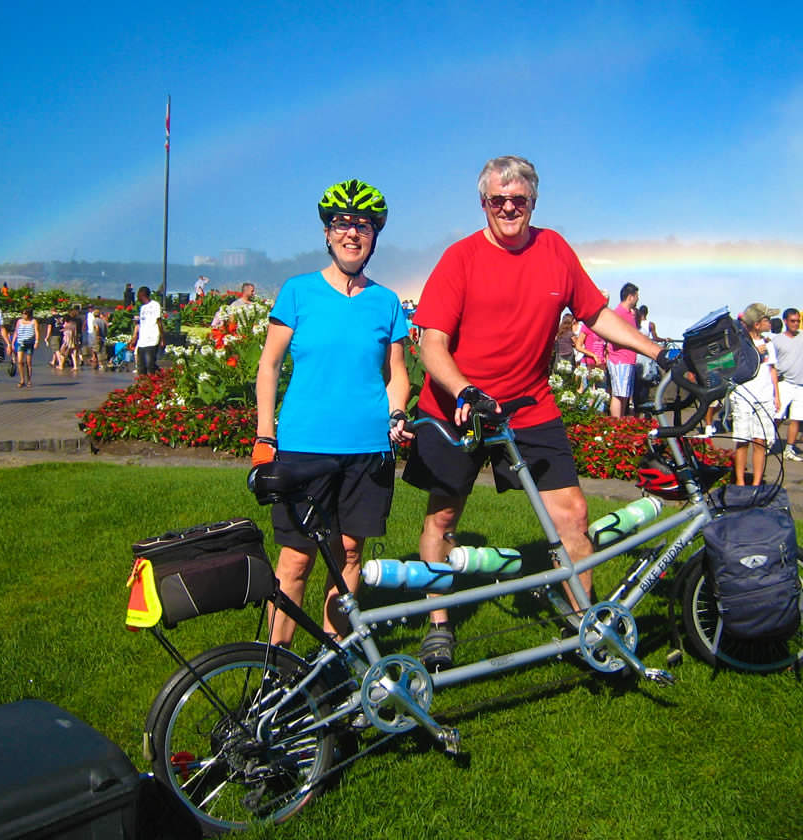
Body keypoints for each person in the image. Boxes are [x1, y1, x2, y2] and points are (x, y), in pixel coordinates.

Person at [404, 155, 666, 669]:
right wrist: (464, 391)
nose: (507, 208)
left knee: (573, 515)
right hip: (459, 406)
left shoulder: (555, 250)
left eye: (517, 200)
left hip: (528, 405)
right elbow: (431, 343)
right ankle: (438, 623)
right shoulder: (460, 258)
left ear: (533, 202)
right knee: (443, 515)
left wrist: (659, 352)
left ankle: (585, 621)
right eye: (496, 200)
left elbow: (595, 313)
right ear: (483, 203)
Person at [252, 179, 411, 648]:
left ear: (374, 236)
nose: (352, 234)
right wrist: (265, 435)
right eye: (342, 224)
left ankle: (331, 659)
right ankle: (275, 667)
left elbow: (397, 373)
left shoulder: (385, 301)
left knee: (348, 553)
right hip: (303, 448)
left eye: (363, 225)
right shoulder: (298, 292)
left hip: (368, 449)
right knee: (296, 559)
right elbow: (269, 364)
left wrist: (397, 413)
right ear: (326, 234)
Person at [730, 303, 780, 486]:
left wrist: (777, 395)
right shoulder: (739, 343)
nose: (770, 323)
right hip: (744, 395)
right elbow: (729, 366)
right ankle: (740, 481)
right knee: (742, 440)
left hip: (765, 395)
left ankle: (757, 482)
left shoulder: (769, 344)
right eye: (767, 319)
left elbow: (772, 370)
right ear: (757, 323)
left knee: (761, 441)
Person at [772, 307, 803, 461]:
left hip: (801, 384)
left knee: (797, 418)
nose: (795, 324)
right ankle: (768, 440)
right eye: (792, 321)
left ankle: (789, 448)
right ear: (786, 321)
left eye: (797, 321)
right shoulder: (777, 339)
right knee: (777, 416)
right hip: (784, 382)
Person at [605, 283, 640, 417]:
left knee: (624, 394)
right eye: (636, 296)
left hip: (628, 358)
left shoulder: (629, 314)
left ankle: (621, 421)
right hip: (620, 359)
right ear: (630, 297)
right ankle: (616, 423)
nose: (637, 299)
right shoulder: (619, 313)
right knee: (619, 394)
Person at [129, 286, 162, 376]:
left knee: (150, 364)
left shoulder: (155, 305)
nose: (137, 297)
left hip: (152, 339)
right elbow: (141, 324)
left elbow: (159, 321)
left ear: (142, 295)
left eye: (138, 295)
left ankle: (154, 381)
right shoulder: (142, 308)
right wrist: (135, 338)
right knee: (141, 366)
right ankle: (142, 386)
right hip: (142, 341)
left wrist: (162, 338)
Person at [11, 306, 39, 387]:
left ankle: (29, 380)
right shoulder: (19, 321)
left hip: (30, 343)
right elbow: (16, 331)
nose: (23, 315)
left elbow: (36, 331)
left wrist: (37, 341)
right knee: (19, 361)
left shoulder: (34, 321)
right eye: (22, 314)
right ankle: (22, 379)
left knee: (28, 362)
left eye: (25, 314)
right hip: (20, 342)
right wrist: (12, 342)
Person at [84, 306, 104, 370]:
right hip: (96, 334)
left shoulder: (95, 320)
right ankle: (96, 360)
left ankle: (99, 363)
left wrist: (97, 335)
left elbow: (97, 327)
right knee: (96, 348)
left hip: (95, 334)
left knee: (96, 349)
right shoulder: (101, 320)